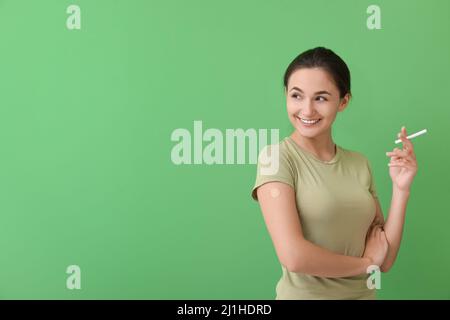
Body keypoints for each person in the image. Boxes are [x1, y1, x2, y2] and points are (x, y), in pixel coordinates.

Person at [251, 47, 418, 299]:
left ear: (343, 101)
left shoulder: (359, 163)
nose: (306, 110)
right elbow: (293, 256)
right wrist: (366, 264)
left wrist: (401, 189)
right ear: (286, 95)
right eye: (297, 96)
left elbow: (385, 259)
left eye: (321, 98)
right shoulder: (276, 159)